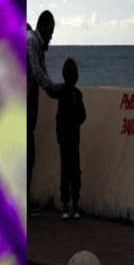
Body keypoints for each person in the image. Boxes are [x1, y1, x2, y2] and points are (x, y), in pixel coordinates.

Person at [27, 10, 61, 217]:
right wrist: (53, 89)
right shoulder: (31, 41)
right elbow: (36, 71)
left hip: (28, 100)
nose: (52, 35)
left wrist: (54, 91)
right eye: (51, 30)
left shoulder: (39, 47)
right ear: (44, 25)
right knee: (28, 154)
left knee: (29, 155)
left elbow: (43, 72)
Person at [55, 57, 86, 219]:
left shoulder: (62, 94)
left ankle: (65, 205)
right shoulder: (77, 94)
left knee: (65, 172)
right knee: (75, 171)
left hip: (64, 138)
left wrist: (59, 135)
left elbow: (59, 117)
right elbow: (82, 116)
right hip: (74, 138)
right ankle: (75, 204)